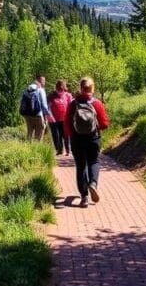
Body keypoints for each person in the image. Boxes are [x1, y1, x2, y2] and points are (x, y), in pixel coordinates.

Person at [64, 77, 110, 207]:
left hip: (77, 140)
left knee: (80, 166)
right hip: (93, 139)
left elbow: (67, 124)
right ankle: (93, 184)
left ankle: (84, 197)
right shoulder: (97, 103)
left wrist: (72, 135)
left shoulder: (73, 104)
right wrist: (96, 128)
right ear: (92, 88)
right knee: (94, 162)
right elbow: (105, 124)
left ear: (80, 88)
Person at [20, 75, 52, 141]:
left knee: (29, 133)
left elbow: (22, 101)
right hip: (38, 115)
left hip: (27, 115)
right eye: (43, 81)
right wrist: (47, 115)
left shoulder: (27, 89)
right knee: (39, 134)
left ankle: (27, 149)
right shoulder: (41, 90)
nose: (44, 82)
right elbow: (44, 105)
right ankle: (36, 149)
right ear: (40, 81)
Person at [47, 79, 73, 155]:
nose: (60, 91)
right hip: (54, 119)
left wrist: (70, 117)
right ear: (56, 88)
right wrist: (50, 116)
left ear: (64, 88)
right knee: (56, 135)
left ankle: (67, 150)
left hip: (65, 119)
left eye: (62, 90)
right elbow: (48, 107)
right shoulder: (51, 96)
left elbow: (71, 107)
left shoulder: (68, 95)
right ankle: (59, 150)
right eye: (59, 89)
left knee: (65, 135)